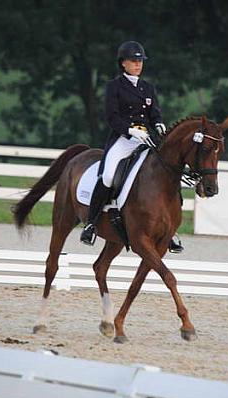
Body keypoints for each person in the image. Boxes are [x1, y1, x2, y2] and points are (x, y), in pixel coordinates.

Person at [80, 40, 183, 253]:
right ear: (123, 63)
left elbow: (155, 112)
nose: (138, 64)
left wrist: (159, 124)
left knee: (167, 172)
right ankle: (91, 223)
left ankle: (170, 230)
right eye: (133, 61)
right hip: (123, 139)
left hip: (146, 138)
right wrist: (130, 130)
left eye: (140, 61)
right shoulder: (114, 87)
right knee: (108, 176)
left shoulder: (148, 87)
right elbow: (112, 117)